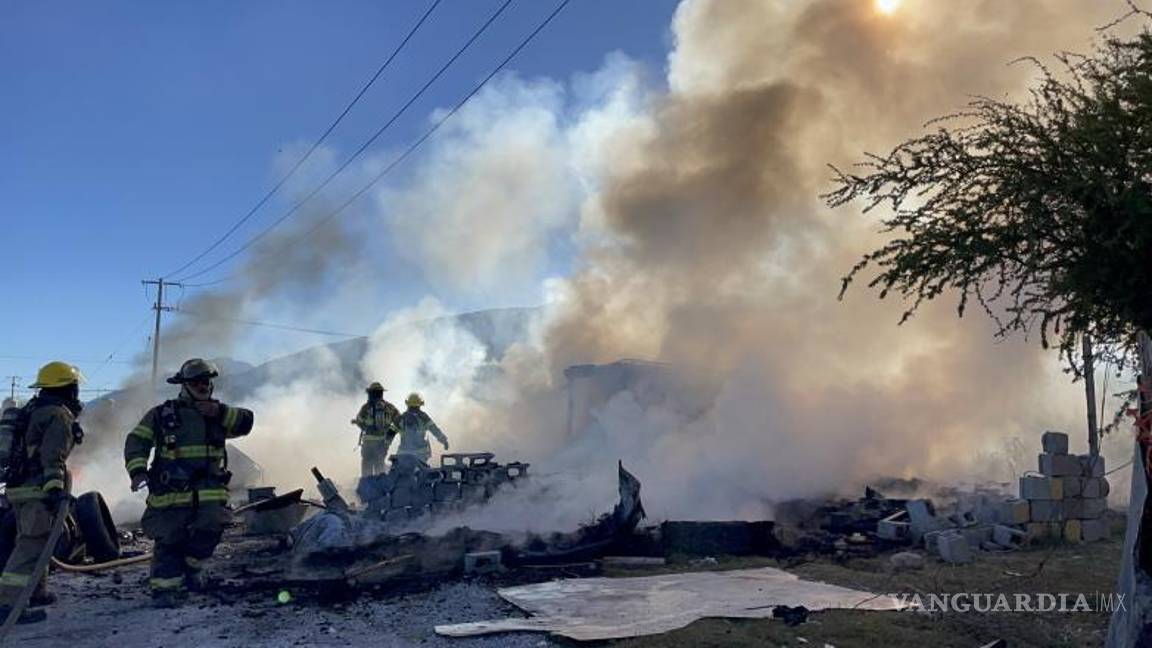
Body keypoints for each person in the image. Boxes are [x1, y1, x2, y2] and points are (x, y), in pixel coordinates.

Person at [123, 358, 254, 608]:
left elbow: (247, 422)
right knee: (170, 539)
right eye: (197, 382)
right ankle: (165, 590)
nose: (203, 386)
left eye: (206, 381)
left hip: (209, 492)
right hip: (171, 492)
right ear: (184, 385)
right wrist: (137, 471)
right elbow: (136, 442)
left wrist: (222, 412)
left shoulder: (218, 414)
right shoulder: (162, 415)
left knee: (211, 530)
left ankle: (191, 570)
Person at [0, 362, 85, 624]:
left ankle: (36, 593)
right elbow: (53, 457)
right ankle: (7, 606)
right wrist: (55, 489)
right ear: (69, 388)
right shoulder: (58, 414)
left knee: (35, 539)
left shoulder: (33, 409)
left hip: (17, 488)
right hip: (36, 488)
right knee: (31, 544)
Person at [350, 382, 399, 477]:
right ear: (381, 393)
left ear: (371, 393)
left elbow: (360, 421)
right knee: (379, 468)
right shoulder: (389, 407)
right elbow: (400, 422)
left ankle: (366, 489)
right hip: (382, 444)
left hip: (368, 444)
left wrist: (360, 424)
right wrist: (389, 438)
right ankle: (379, 490)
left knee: (366, 470)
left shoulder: (365, 408)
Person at [392, 392, 448, 470]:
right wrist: (444, 441)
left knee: (401, 474)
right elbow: (434, 430)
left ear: (407, 404)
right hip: (421, 454)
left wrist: (384, 445)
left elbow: (390, 433)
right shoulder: (424, 418)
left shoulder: (401, 418)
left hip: (403, 453)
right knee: (422, 474)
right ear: (419, 405)